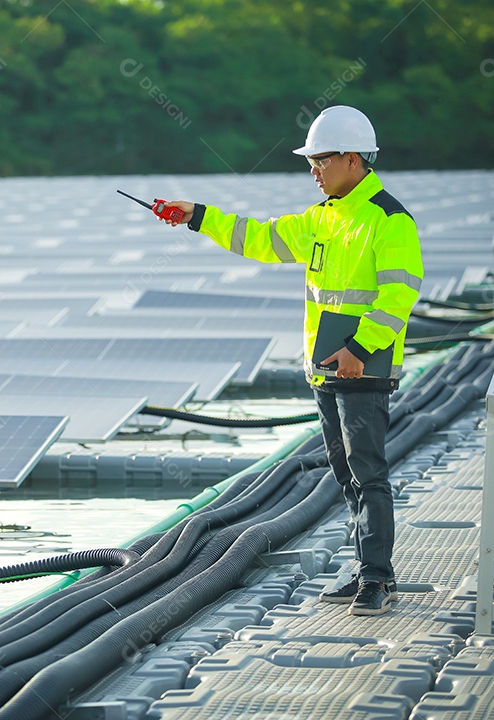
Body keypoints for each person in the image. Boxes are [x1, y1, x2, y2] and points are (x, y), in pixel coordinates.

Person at [161, 105, 423, 616]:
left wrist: (360, 349)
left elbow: (399, 295)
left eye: (321, 160)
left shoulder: (389, 220)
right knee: (346, 473)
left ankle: (377, 579)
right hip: (327, 367)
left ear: (353, 159)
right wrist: (197, 216)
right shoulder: (322, 217)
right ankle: (363, 569)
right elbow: (259, 239)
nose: (313, 169)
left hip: (361, 368)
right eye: (312, 161)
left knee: (368, 472)